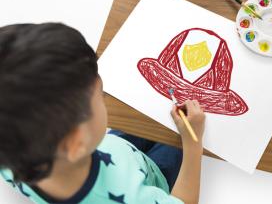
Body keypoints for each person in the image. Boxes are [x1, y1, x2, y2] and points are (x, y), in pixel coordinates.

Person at [0, 23, 205, 204]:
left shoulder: (13, 157)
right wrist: (193, 143)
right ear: (75, 142)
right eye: (100, 95)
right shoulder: (129, 197)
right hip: (153, 175)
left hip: (117, 151)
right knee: (177, 140)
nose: (104, 94)